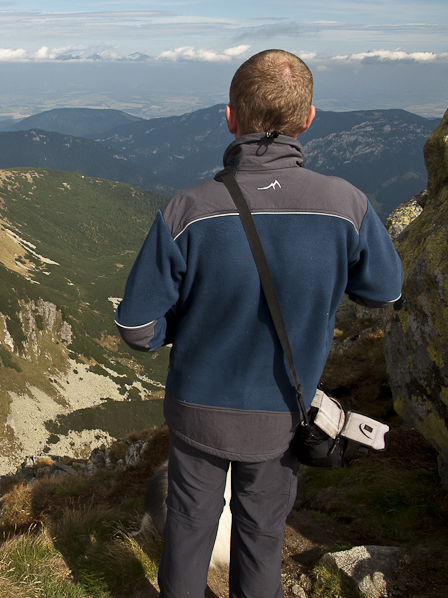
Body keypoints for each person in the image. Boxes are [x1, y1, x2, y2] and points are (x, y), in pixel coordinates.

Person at [114, 49, 403, 597]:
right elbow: (384, 291)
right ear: (309, 117)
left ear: (230, 116)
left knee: (189, 531)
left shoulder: (187, 210)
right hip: (281, 410)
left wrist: (182, 323)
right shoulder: (348, 205)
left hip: (199, 408)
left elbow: (137, 328)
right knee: (263, 534)